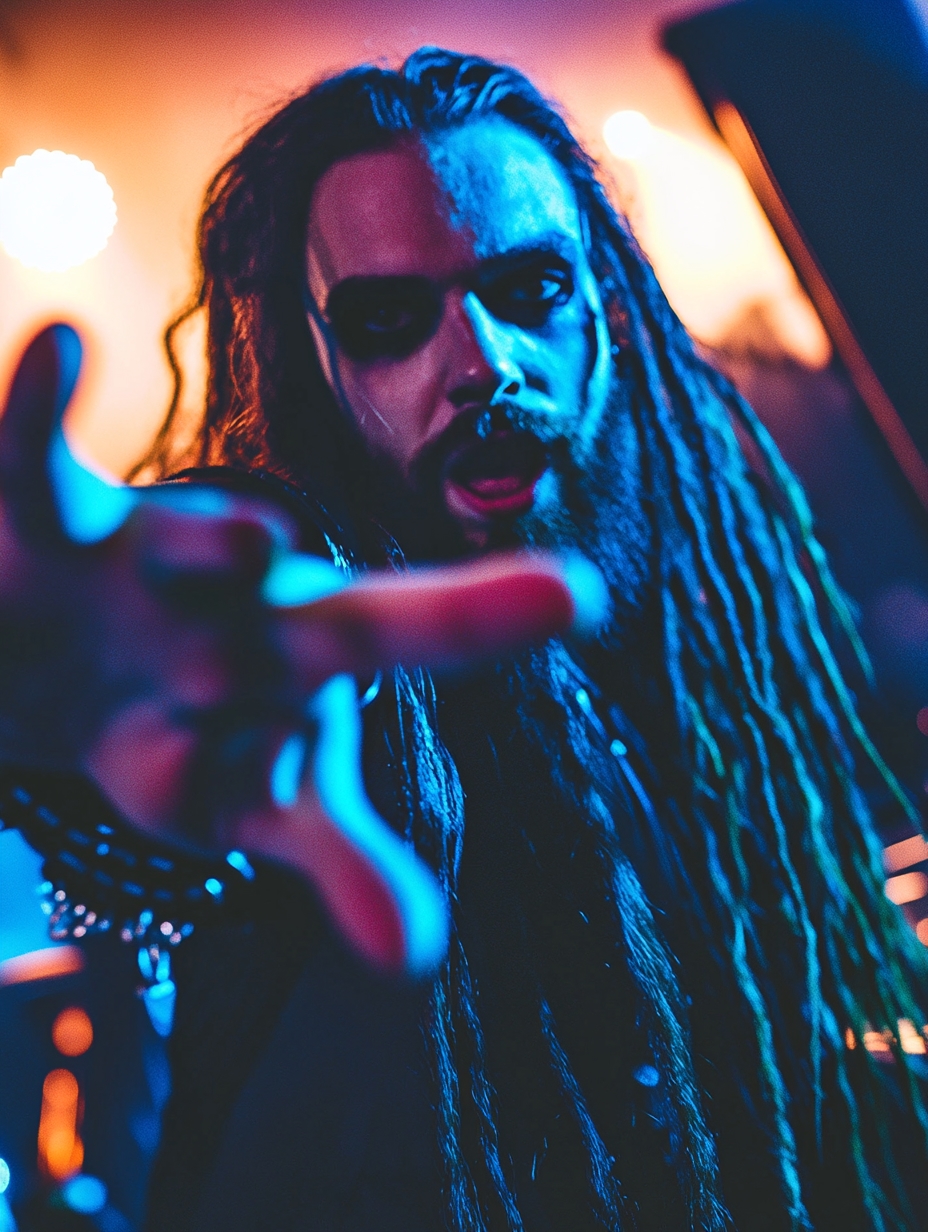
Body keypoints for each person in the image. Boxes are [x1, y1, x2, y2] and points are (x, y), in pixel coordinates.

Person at [5, 47, 928, 1232]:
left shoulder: (688, 638)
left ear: (606, 310)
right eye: (390, 319)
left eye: (530, 287)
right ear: (314, 361)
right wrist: (58, 687)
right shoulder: (319, 648)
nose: (485, 364)